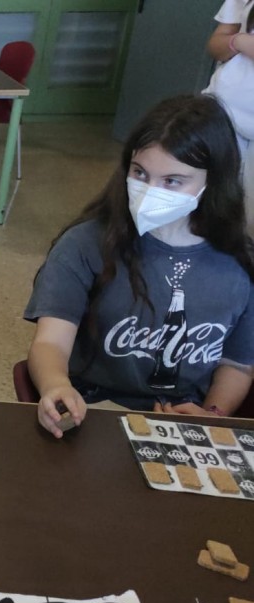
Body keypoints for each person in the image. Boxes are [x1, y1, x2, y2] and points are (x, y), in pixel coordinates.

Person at [25, 95, 254, 438]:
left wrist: (212, 414)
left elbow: (238, 364)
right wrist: (56, 385)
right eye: (140, 173)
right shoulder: (84, 244)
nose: (149, 192)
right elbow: (51, 342)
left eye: (172, 181)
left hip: (184, 420)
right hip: (94, 409)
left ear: (213, 182)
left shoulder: (240, 263)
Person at [205, 0, 254, 226]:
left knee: (249, 217)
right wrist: (239, 41)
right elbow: (216, 45)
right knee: (207, 200)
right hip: (223, 108)